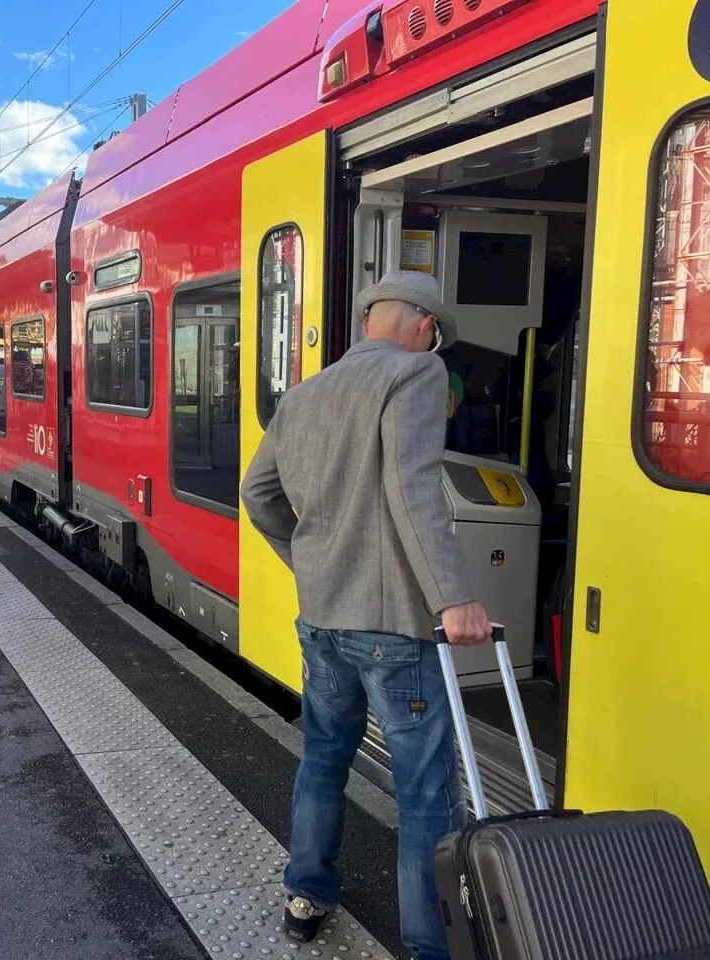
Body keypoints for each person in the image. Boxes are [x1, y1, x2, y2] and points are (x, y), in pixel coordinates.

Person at [240, 271, 493, 958]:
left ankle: (305, 897)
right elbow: (413, 490)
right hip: (393, 628)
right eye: (433, 332)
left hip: (322, 618)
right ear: (421, 324)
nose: (430, 342)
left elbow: (256, 492)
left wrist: (311, 561)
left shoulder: (304, 393)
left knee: (323, 760)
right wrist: (453, 596)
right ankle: (428, 945)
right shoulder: (418, 374)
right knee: (424, 790)